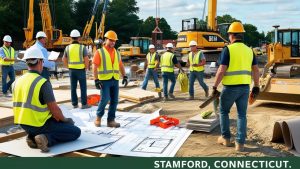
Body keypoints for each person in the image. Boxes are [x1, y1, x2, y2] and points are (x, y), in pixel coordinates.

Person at [13, 46, 81, 152]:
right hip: (40, 124)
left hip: (23, 124)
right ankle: (46, 139)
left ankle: (32, 137)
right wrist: (65, 120)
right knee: (75, 131)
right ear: (40, 62)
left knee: (55, 124)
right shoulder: (42, 83)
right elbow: (54, 110)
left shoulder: (16, 81)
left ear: (27, 62)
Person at [212, 22, 260, 151]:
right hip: (245, 88)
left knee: (223, 111)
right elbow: (256, 70)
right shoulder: (249, 50)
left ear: (231, 35)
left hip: (230, 88)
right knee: (242, 115)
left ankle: (226, 138)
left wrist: (214, 87)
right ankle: (240, 144)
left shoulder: (228, 49)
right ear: (242, 35)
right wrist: (256, 86)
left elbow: (221, 70)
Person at [93, 30, 128, 128]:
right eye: (111, 40)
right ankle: (98, 117)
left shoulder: (117, 52)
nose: (113, 42)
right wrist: (96, 80)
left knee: (114, 101)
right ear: (105, 40)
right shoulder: (99, 52)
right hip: (104, 80)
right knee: (104, 99)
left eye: (114, 41)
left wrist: (124, 75)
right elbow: (94, 66)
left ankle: (111, 120)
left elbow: (120, 65)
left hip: (115, 79)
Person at [63, 29, 91, 109]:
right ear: (79, 38)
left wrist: (68, 66)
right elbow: (86, 59)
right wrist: (86, 67)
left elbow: (64, 59)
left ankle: (74, 104)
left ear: (71, 38)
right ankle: (84, 104)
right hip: (81, 70)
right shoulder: (82, 47)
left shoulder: (67, 48)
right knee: (83, 87)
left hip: (72, 70)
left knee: (73, 87)